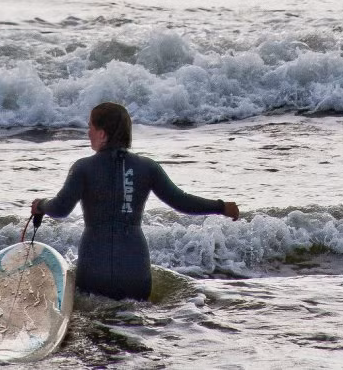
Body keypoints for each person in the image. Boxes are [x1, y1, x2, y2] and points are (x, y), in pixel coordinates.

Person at [31, 102, 240, 301]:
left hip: (95, 270)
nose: (88, 133)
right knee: (132, 326)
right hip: (136, 274)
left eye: (91, 127)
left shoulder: (83, 168)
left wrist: (41, 205)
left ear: (102, 134)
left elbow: (60, 209)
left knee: (96, 330)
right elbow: (181, 201)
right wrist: (221, 207)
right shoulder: (147, 167)